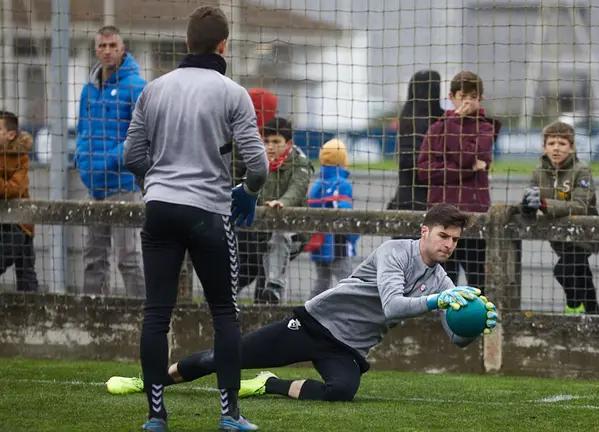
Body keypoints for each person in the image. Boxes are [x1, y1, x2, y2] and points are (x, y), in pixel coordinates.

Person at [105, 203, 497, 404]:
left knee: (341, 392)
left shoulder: (441, 280)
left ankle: (268, 385)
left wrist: (475, 326)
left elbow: (454, 337)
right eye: (444, 235)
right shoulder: (395, 252)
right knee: (224, 357)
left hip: (348, 348)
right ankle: (150, 380)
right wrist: (438, 300)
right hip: (314, 325)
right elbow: (394, 306)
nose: (449, 245)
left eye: (455, 240)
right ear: (425, 231)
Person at [122, 5, 268, 431]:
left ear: (186, 43)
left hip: (160, 209)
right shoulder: (232, 93)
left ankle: (155, 417)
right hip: (209, 210)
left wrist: (158, 183)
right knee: (224, 312)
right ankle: (229, 415)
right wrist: (248, 192)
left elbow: (132, 156)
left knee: (156, 314)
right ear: (224, 45)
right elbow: (257, 167)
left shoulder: (153, 89)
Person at [76, 25, 147, 297]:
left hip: (124, 185)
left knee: (128, 257)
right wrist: (81, 158)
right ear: (96, 49)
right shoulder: (87, 90)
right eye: (102, 46)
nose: (107, 51)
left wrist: (111, 159)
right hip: (94, 185)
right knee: (93, 255)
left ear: (122, 49)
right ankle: (93, 314)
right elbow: (82, 129)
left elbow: (141, 136)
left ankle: (141, 317)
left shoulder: (137, 88)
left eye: (112, 46)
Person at [417, 71, 501, 292]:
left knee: (477, 281)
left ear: (480, 99)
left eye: (473, 96)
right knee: (444, 281)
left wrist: (453, 126)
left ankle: (477, 324)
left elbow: (468, 157)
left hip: (474, 214)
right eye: (463, 95)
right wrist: (467, 169)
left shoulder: (486, 128)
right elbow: (425, 171)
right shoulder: (436, 129)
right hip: (443, 215)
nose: (467, 101)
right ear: (452, 96)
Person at [522, 121, 599, 314]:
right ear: (544, 147)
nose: (556, 148)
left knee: (564, 271)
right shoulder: (538, 172)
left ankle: (574, 306)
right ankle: (595, 317)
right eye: (551, 143)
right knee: (583, 277)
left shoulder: (582, 171)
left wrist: (544, 205)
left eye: (562, 143)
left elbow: (580, 206)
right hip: (559, 238)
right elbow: (532, 203)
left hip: (583, 236)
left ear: (572, 147)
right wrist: (526, 205)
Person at [235, 117, 313, 303]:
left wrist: (282, 202)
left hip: (292, 232)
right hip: (259, 230)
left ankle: (274, 290)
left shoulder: (300, 163)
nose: (270, 147)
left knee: (277, 245)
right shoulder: (257, 161)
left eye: (276, 142)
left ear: (288, 143)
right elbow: (245, 186)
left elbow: (298, 188)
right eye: (267, 142)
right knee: (247, 269)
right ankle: (221, 298)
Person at [306, 138, 358, 298]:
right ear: (342, 159)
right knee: (348, 282)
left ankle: (307, 311)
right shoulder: (342, 184)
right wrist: (354, 236)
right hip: (338, 242)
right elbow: (344, 214)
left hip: (318, 241)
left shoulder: (316, 184)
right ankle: (352, 313)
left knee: (322, 281)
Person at [387, 70, 445, 215]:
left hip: (407, 198)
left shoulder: (407, 117)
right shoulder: (435, 119)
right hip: (424, 201)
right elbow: (410, 161)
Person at [0, 110, 39, 292]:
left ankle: (33, 314)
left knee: (27, 275)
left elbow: (15, 189)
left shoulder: (21, 157)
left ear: (10, 134)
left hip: (19, 224)